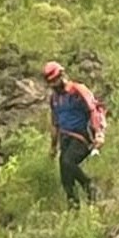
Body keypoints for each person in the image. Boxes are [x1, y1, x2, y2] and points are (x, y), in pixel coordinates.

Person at [43, 61, 104, 209]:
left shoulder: (78, 90)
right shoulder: (55, 99)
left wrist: (99, 133)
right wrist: (53, 146)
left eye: (56, 80)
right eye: (51, 82)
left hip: (82, 135)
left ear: (62, 75)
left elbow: (94, 110)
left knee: (68, 162)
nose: (54, 84)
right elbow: (55, 123)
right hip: (65, 138)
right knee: (65, 175)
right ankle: (73, 206)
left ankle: (89, 185)